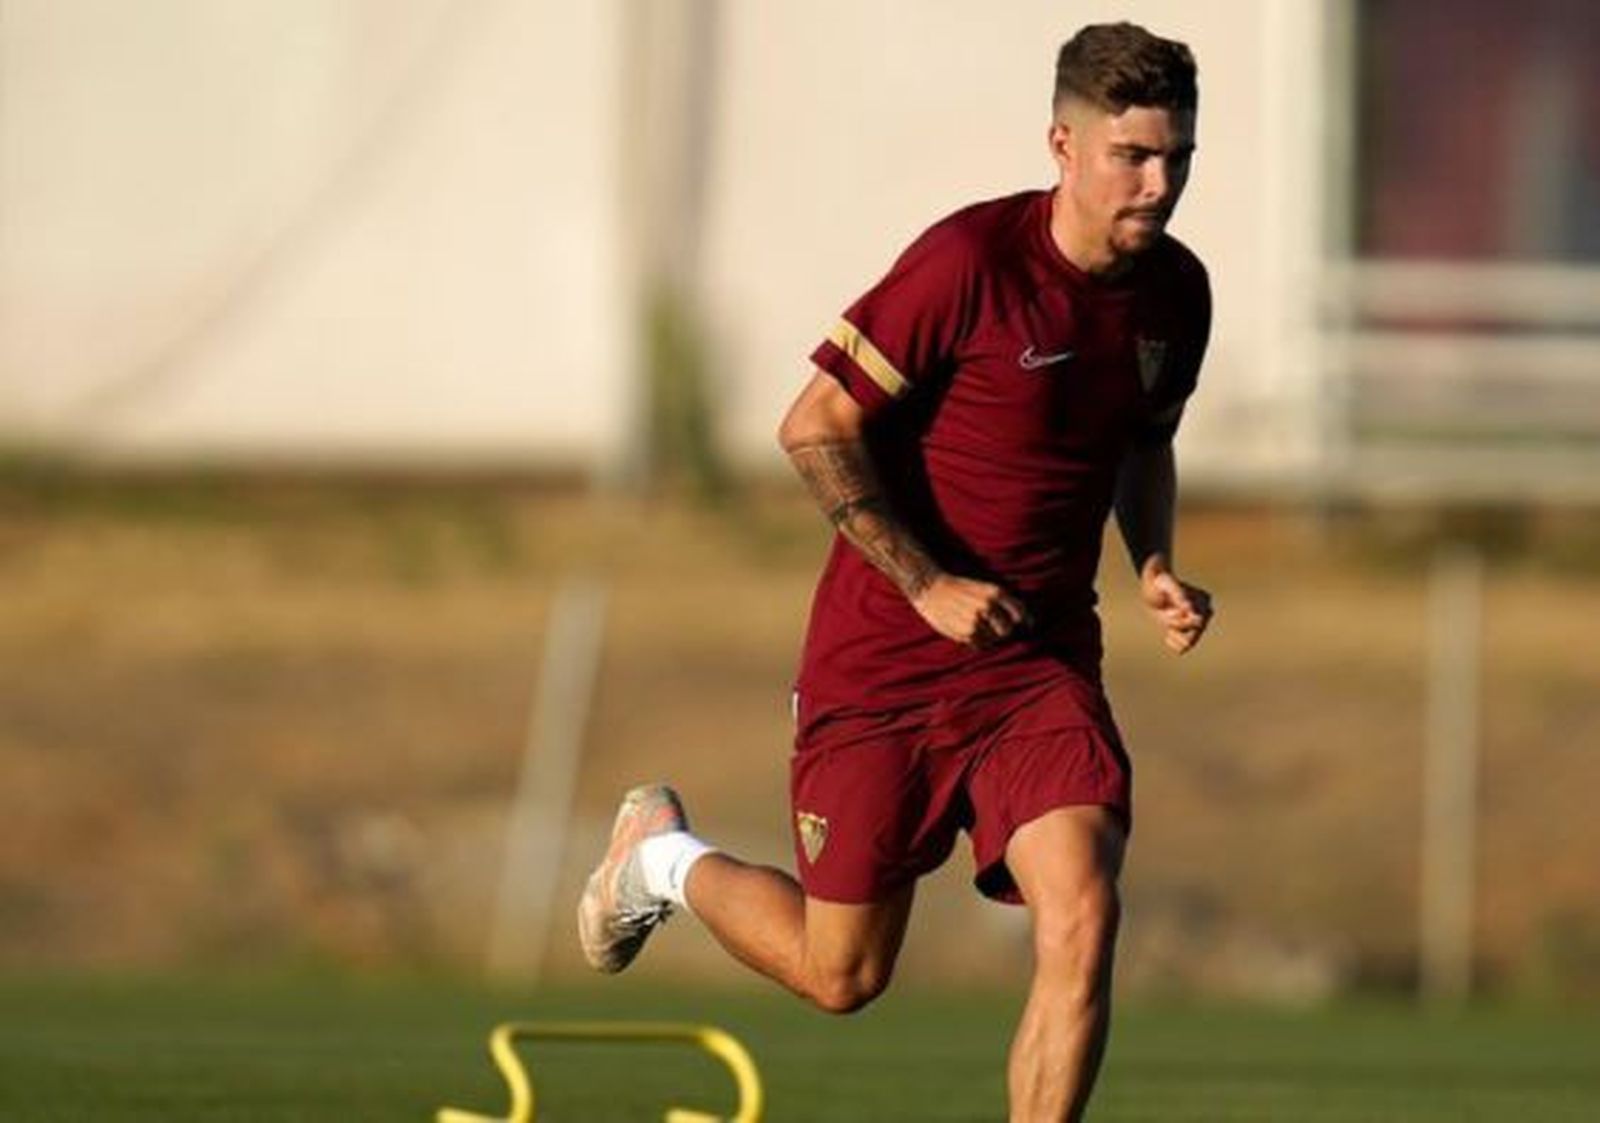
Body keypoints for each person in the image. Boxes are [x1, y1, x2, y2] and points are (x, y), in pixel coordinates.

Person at [578, 22, 1214, 1123]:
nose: (1159, 185)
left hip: (1036, 667)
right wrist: (926, 584)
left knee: (1083, 914)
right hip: (885, 662)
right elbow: (812, 425)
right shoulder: (968, 264)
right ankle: (662, 860)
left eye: (1178, 158)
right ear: (1062, 145)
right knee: (842, 973)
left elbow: (1143, 442)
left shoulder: (1177, 293)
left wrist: (1152, 558)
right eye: (1133, 156)